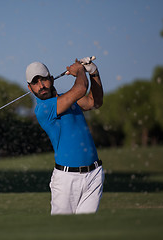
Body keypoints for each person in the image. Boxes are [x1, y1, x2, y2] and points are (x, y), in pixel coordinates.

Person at [25, 57, 104, 215]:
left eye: (44, 80)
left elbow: (94, 102)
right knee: (61, 231)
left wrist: (94, 73)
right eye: (35, 83)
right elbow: (81, 88)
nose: (41, 86)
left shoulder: (68, 98)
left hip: (94, 175)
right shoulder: (43, 109)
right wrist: (80, 71)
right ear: (29, 87)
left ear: (52, 79)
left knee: (86, 232)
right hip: (67, 180)